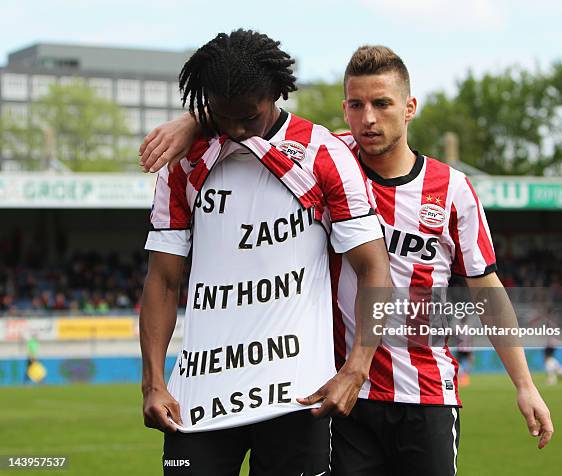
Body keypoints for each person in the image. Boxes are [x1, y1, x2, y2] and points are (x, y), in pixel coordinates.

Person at [140, 45, 554, 476]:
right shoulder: (327, 156)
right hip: (339, 393)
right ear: (345, 109)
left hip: (426, 390)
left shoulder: (452, 190)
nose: (369, 118)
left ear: (409, 108)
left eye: (382, 104)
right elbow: (253, 115)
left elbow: (486, 289)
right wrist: (193, 118)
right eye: (356, 105)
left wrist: (525, 385)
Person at [139, 30, 390, 476]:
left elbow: (374, 269)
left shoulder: (322, 153)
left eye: (249, 118)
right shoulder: (184, 163)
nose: (236, 130)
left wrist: (356, 369)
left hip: (297, 399)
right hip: (198, 400)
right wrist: (153, 384)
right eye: (221, 115)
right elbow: (162, 280)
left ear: (276, 92)